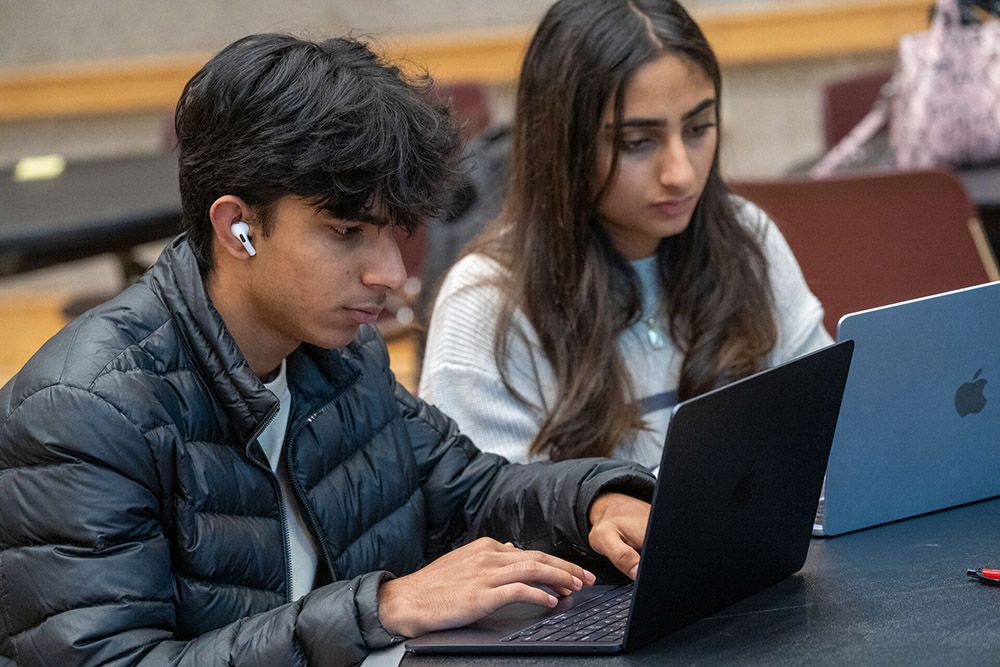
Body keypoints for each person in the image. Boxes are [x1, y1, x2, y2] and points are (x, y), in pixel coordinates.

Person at [0, 34, 656, 666]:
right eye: (345, 232)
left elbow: (467, 490)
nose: (391, 274)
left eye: (393, 233)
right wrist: (382, 607)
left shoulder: (339, 354)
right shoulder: (83, 412)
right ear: (238, 227)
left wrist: (596, 500)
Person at [420, 0, 833, 469]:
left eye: (698, 128)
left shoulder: (746, 236)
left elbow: (830, 425)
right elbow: (491, 518)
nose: (680, 173)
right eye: (637, 143)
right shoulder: (484, 305)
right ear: (564, 147)